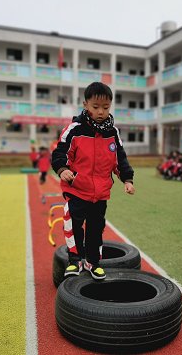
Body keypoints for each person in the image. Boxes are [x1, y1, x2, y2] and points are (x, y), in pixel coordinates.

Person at [52, 82, 135, 280]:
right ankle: (74, 261)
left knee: (96, 230)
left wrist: (127, 179)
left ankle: (92, 262)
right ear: (85, 104)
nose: (100, 112)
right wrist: (63, 169)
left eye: (105, 108)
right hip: (77, 190)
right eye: (95, 107)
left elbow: (119, 159)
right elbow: (60, 152)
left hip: (100, 194)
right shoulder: (74, 129)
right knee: (73, 224)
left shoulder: (112, 132)